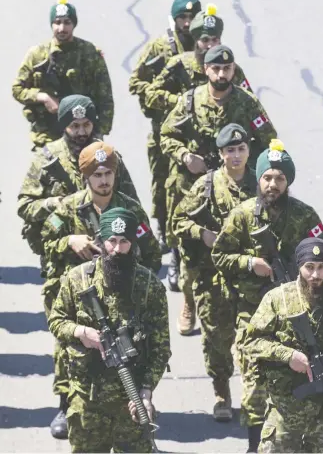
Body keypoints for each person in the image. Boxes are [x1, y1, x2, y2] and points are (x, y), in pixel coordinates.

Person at [211, 140, 323, 452]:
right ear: (258, 179)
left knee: (301, 379)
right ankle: (254, 446)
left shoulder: (306, 216)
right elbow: (220, 256)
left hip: (296, 313)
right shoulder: (242, 216)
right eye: (267, 178)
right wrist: (252, 264)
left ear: (287, 182)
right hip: (252, 313)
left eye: (279, 178)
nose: (272, 185)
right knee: (253, 385)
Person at [41, 141, 160, 439]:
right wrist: (69, 242)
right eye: (97, 174)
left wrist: (125, 259)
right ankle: (66, 403)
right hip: (79, 294)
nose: (104, 180)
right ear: (86, 177)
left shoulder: (130, 210)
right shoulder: (68, 207)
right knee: (72, 351)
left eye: (108, 173)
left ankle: (130, 411)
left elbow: (153, 254)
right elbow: (44, 241)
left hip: (121, 295)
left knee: (126, 355)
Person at [161, 44, 276, 336]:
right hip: (195, 189)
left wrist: (261, 176)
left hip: (237, 185)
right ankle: (189, 302)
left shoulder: (247, 103)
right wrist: (186, 157)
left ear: (233, 70)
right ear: (205, 70)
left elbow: (269, 141)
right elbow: (167, 135)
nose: (221, 73)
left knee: (240, 250)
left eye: (227, 68)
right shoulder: (189, 101)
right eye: (216, 68)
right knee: (193, 257)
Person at [48, 208, 171, 453]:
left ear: (133, 243)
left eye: (124, 241)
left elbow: (160, 348)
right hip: (87, 400)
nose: (116, 249)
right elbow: (57, 320)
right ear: (101, 242)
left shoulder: (149, 287)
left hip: (131, 399)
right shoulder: (77, 279)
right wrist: (81, 332)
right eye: (111, 241)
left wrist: (146, 393)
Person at [243, 237, 323, 452]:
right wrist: (287, 356)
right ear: (299, 266)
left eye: (321, 267)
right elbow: (251, 342)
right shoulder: (277, 299)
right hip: (285, 410)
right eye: (309, 267)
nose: (315, 275)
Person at [172, 124, 257, 420]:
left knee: (253, 339)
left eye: (241, 149)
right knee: (217, 339)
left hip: (251, 277)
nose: (236, 156)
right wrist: (201, 233)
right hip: (214, 278)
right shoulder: (206, 185)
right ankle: (222, 390)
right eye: (230, 151)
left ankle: (253, 397)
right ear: (221, 154)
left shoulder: (263, 183)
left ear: (249, 150)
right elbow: (178, 221)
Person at [17, 94, 138, 264]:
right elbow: (25, 206)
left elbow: (132, 204)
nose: (82, 132)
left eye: (86, 125)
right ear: (64, 125)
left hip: (110, 251)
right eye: (75, 126)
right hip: (63, 251)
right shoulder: (45, 158)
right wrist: (56, 204)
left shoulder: (108, 157)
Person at [129, 0, 201, 255]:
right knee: (163, 186)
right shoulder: (160, 47)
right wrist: (176, 101)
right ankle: (163, 231)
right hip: (165, 132)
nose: (186, 23)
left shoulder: (208, 45)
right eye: (182, 17)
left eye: (191, 18)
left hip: (199, 136)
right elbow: (136, 83)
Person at [12, 0, 113, 150]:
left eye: (67, 22)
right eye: (57, 22)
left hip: (83, 132)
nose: (62, 28)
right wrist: (42, 97)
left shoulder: (89, 52)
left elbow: (105, 97)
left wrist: (100, 132)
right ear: (51, 24)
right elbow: (17, 89)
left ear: (74, 24)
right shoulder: (37, 55)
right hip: (47, 133)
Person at [144, 4, 252, 114]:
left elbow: (250, 101)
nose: (210, 46)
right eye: (205, 40)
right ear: (197, 42)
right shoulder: (180, 64)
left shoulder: (232, 69)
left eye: (214, 40)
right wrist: (182, 102)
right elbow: (150, 94)